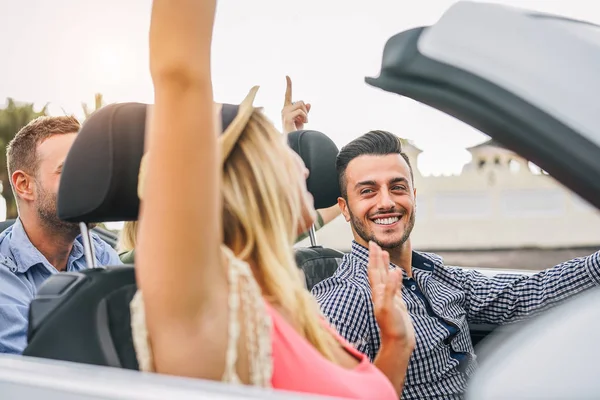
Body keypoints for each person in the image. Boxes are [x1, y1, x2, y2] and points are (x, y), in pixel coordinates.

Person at [128, 1, 414, 398]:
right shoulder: (210, 307)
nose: (306, 167)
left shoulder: (294, 303)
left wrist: (396, 342)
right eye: (284, 151)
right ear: (251, 181)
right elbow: (180, 75)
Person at [311, 130, 600, 399]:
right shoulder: (343, 299)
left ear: (414, 196)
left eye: (397, 187)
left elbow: (524, 293)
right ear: (345, 209)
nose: (386, 202)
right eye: (368, 191)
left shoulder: (436, 274)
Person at [118, 77, 340, 264]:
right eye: (266, 165)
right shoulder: (169, 265)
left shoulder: (252, 261)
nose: (303, 171)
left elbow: (324, 206)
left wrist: (291, 141)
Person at [0, 115, 122, 354]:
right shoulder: (4, 275)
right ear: (24, 185)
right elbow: (40, 371)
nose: (88, 181)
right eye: (69, 170)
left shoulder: (100, 255)